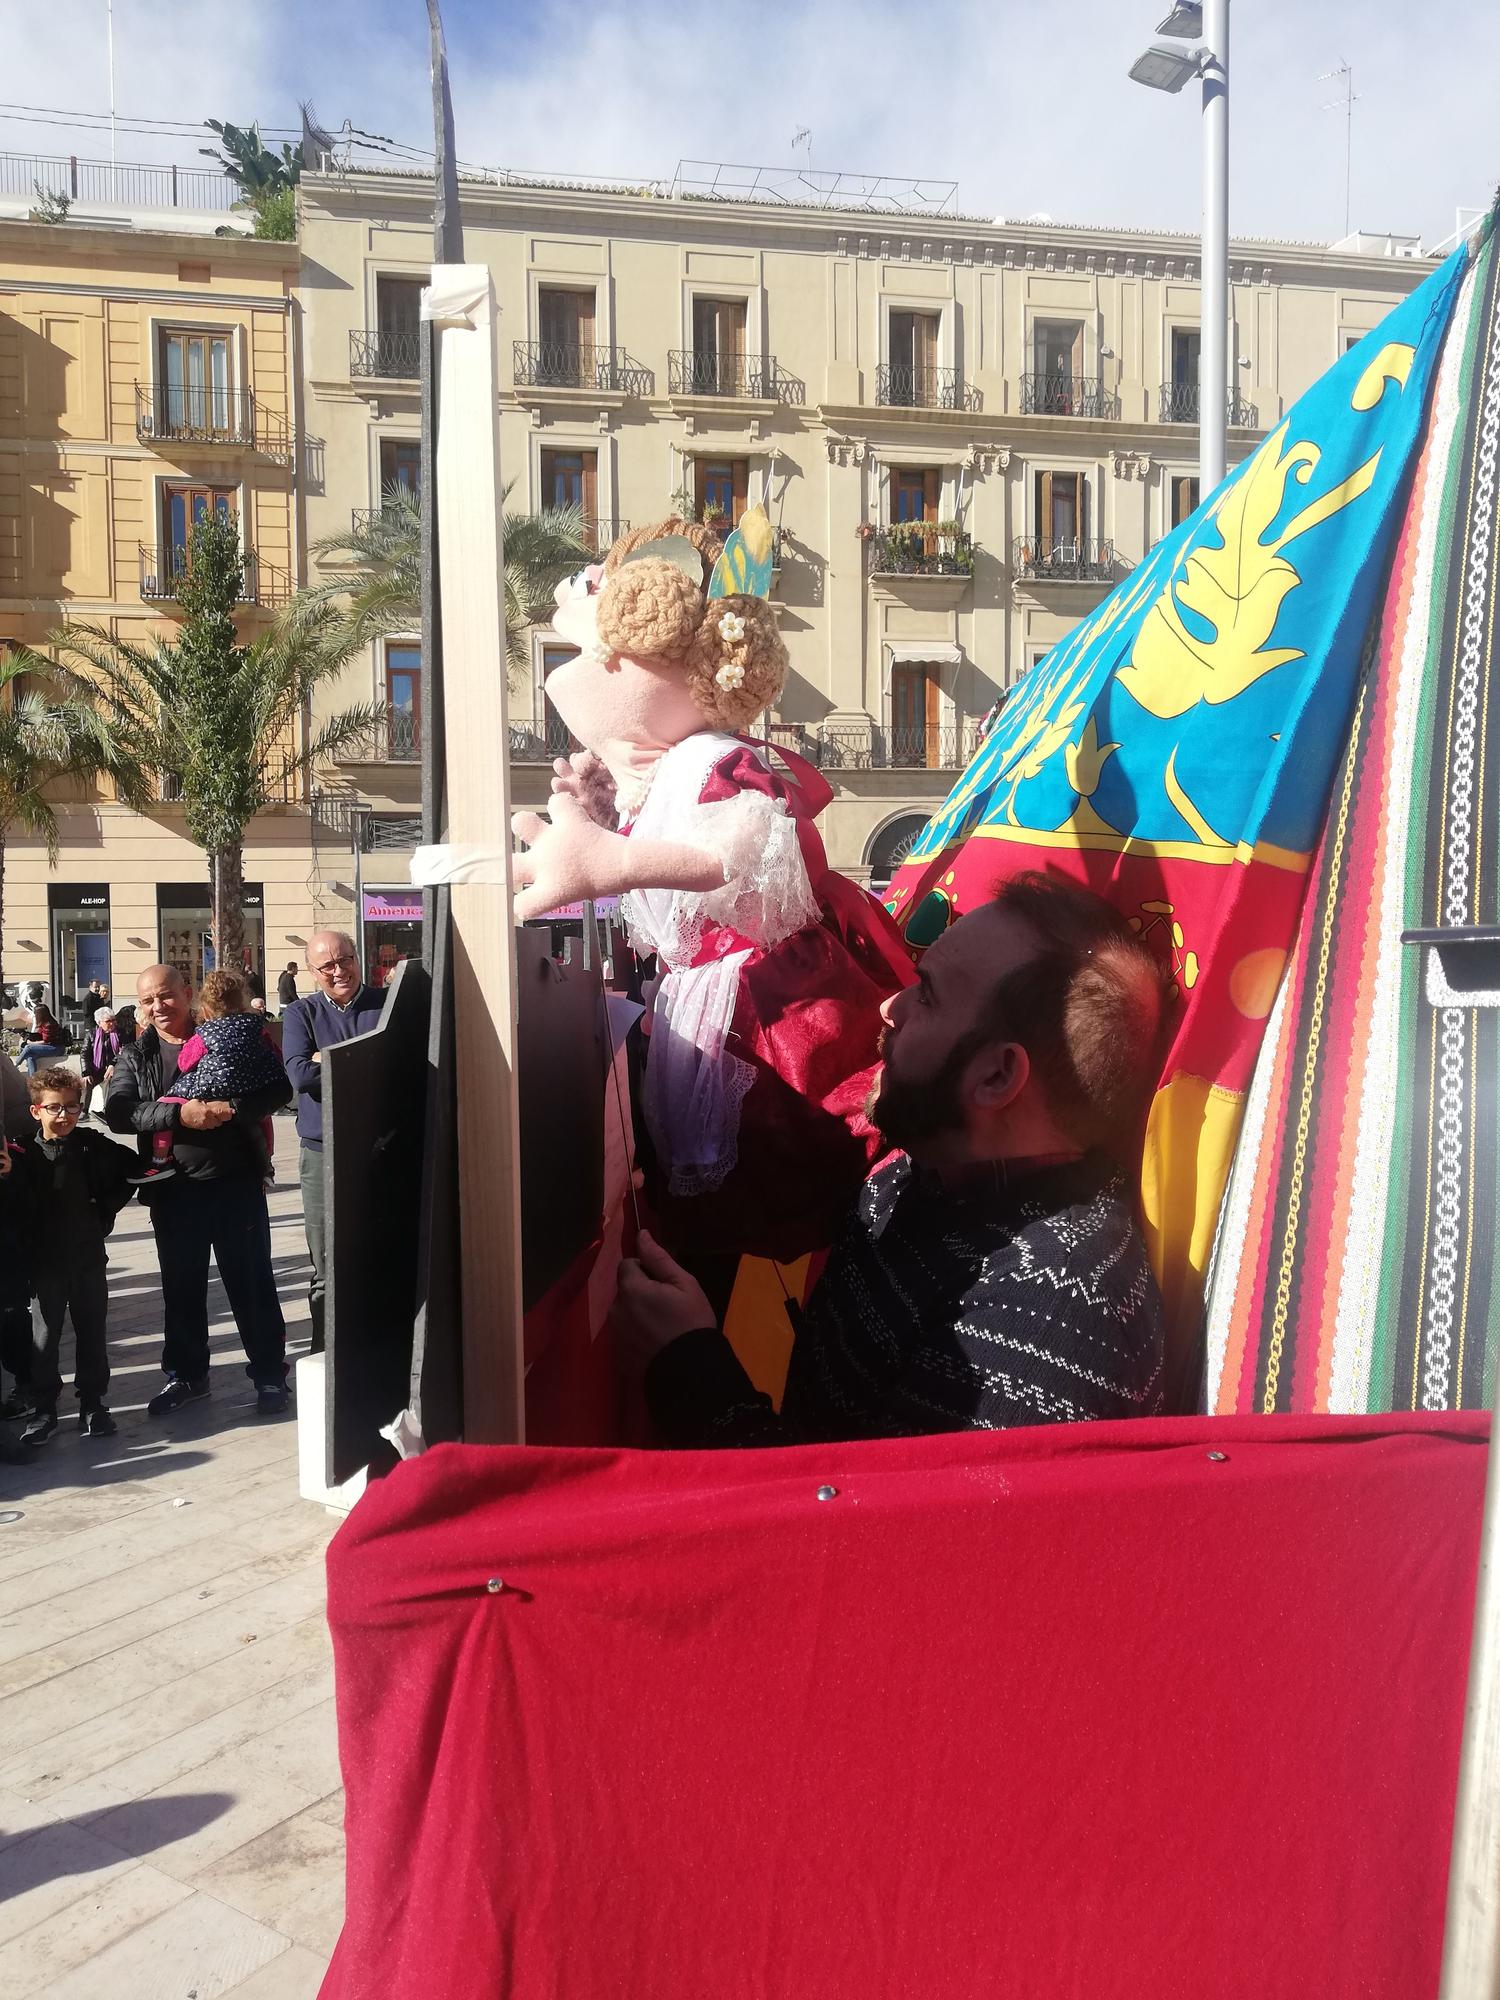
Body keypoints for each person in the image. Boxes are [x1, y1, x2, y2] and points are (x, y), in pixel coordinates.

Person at [617, 872, 1171, 1446]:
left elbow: (864, 1530)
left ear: (998, 1075)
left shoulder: (1057, 1308)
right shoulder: (917, 1168)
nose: (890, 1006)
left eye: (927, 994)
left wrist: (686, 1365)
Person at [105, 963, 293, 1416]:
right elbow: (120, 1113)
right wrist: (180, 1115)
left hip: (235, 1183)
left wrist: (230, 1106)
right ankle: (186, 1375)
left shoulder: (228, 1034)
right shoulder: (137, 1054)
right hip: (174, 1191)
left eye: (165, 995)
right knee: (182, 1288)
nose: (157, 1006)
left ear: (187, 993)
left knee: (252, 1283)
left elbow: (278, 1089)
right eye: (147, 1000)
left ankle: (269, 1376)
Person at [6, 1066, 135, 1444]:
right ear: (36, 1111)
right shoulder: (23, 1152)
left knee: (92, 1332)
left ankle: (93, 1404)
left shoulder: (91, 1144)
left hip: (88, 1258)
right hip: (44, 1264)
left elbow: (133, 1172)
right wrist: (8, 1176)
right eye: (54, 1109)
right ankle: (45, 1408)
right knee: (44, 1339)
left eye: (72, 1108)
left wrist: (102, 1212)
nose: (64, 1116)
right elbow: (15, 1207)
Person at [280, 931, 385, 1354]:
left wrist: (330, 1056)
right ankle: (326, 1356)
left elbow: (397, 1063)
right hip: (321, 1153)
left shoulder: (387, 1004)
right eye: (328, 966)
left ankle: (378, 1351)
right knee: (326, 1263)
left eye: (346, 959)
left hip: (378, 1149)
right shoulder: (300, 1014)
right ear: (312, 971)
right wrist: (363, 1056)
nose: (339, 971)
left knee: (379, 1254)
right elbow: (300, 1076)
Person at [146, 968, 285, 1187]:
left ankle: (160, 1159)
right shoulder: (257, 1028)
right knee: (262, 1119)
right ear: (243, 1004)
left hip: (208, 1089)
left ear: (206, 1011)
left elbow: (186, 1061)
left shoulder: (205, 1032)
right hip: (249, 1089)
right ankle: (266, 1164)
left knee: (165, 1103)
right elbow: (275, 1054)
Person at [81, 1007, 123, 1111]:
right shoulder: (91, 1034)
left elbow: (124, 1051)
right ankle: (83, 1110)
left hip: (113, 1069)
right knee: (86, 1082)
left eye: (114, 1020)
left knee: (109, 1081)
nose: (112, 1023)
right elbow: (84, 1054)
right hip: (95, 1069)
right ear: (99, 1022)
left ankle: (107, 1110)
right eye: (108, 1021)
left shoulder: (120, 1033)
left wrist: (113, 1064)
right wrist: (86, 1072)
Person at [16, 1002, 67, 1076]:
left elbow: (46, 1041)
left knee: (28, 1048)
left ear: (40, 1014)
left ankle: (15, 1065)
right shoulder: (44, 1024)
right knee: (30, 1057)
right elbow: (40, 1035)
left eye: (35, 1013)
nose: (34, 1015)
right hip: (51, 1046)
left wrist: (30, 1043)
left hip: (57, 1048)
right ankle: (33, 1079)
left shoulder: (49, 1025)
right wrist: (28, 1035)